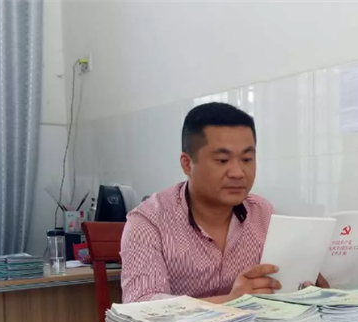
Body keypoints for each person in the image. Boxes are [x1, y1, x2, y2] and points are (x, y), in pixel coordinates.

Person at [120, 102, 326, 304]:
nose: (238, 173)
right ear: (187, 164)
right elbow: (141, 305)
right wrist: (230, 301)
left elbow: (278, 290)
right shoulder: (148, 221)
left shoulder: (262, 212)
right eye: (222, 160)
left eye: (247, 159)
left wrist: (305, 286)